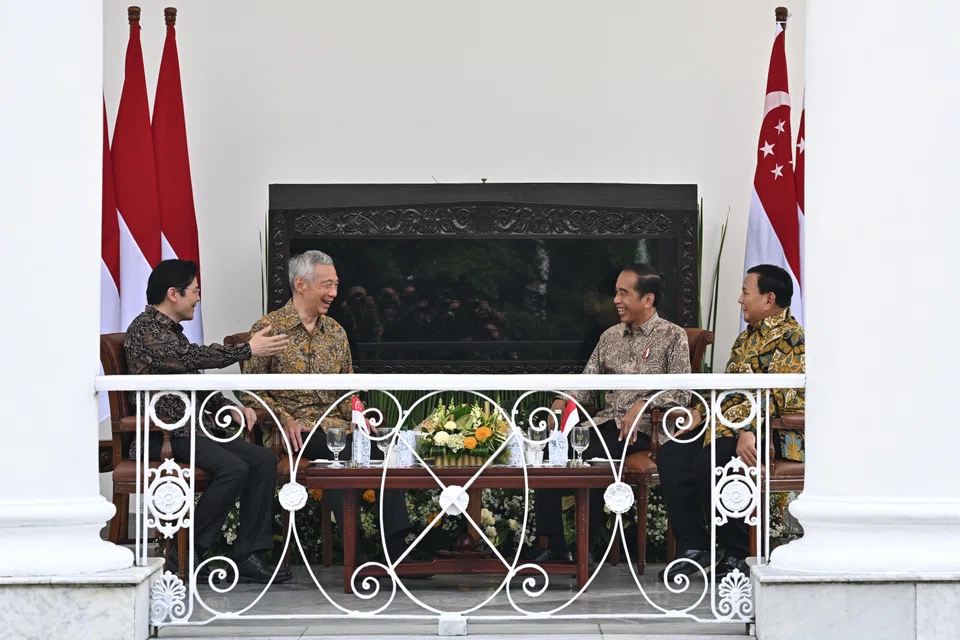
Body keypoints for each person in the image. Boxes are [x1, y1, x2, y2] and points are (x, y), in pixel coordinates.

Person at [124, 259, 292, 583]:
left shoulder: (172, 333)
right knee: (234, 468)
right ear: (174, 294)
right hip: (164, 435)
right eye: (194, 291)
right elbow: (191, 359)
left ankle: (248, 554)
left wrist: (228, 407)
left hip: (192, 430)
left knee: (261, 459)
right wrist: (247, 350)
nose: (197, 298)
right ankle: (185, 553)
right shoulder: (145, 330)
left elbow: (193, 380)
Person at [241, 250, 413, 562]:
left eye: (336, 285)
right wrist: (283, 417)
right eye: (327, 285)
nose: (334, 293)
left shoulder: (335, 332)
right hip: (293, 433)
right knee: (342, 456)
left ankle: (398, 546)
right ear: (301, 284)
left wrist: (360, 416)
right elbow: (250, 394)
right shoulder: (267, 329)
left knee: (390, 452)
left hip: (337, 427)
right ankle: (355, 550)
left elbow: (348, 390)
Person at [533, 264, 692, 562]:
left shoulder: (673, 336)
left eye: (624, 293)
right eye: (615, 293)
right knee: (548, 454)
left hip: (643, 430)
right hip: (604, 423)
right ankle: (553, 544)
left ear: (648, 299)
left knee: (592, 459)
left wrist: (644, 402)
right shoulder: (609, 336)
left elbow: (683, 392)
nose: (616, 300)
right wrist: (561, 404)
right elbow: (587, 382)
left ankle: (585, 550)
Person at [656, 264, 805, 581]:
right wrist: (699, 411)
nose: (740, 300)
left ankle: (738, 551)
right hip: (724, 424)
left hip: (767, 429)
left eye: (745, 293)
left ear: (769, 299)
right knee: (672, 455)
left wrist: (748, 428)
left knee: (709, 462)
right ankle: (694, 546)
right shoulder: (746, 338)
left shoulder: (793, 338)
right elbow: (727, 387)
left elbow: (779, 395)